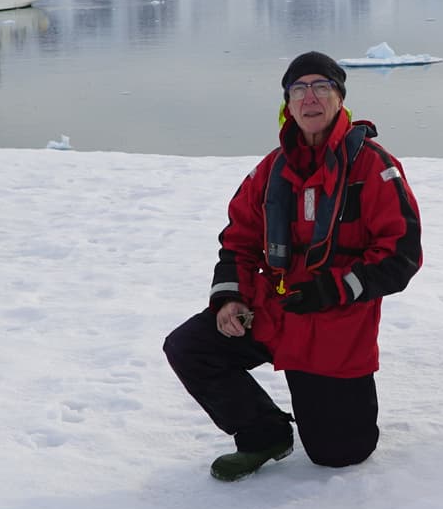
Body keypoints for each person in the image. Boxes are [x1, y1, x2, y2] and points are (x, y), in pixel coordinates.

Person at [163, 51, 423, 482]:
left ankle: (330, 418)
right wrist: (230, 297)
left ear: (340, 98)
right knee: (190, 347)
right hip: (274, 312)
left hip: (336, 330)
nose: (310, 98)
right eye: (299, 89)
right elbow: (239, 240)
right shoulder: (271, 170)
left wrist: (334, 288)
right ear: (287, 104)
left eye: (322, 87)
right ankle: (263, 433)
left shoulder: (374, 168)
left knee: (340, 454)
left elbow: (402, 255)